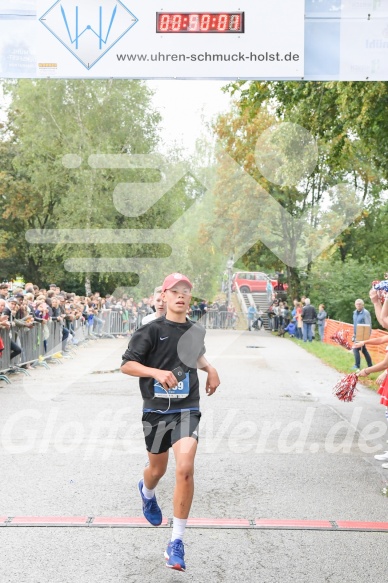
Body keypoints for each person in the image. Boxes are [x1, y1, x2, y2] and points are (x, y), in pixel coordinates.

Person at [120, 273, 220, 572]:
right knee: (156, 470)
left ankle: (176, 542)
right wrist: (155, 373)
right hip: (156, 410)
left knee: (185, 469)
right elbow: (127, 365)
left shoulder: (196, 331)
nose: (180, 295)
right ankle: (147, 492)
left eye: (185, 291)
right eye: (174, 291)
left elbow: (195, 355)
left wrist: (210, 368)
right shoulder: (150, 330)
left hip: (187, 408)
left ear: (190, 298)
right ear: (163, 296)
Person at [352, 299, 373, 371]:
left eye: (359, 304)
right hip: (356, 334)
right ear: (355, 305)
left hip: (362, 335)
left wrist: (367, 336)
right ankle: (370, 365)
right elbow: (354, 324)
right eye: (357, 304)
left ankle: (357, 366)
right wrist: (354, 334)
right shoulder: (354, 313)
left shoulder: (365, 313)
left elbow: (368, 325)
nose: (358, 305)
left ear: (362, 305)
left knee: (355, 348)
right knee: (364, 350)